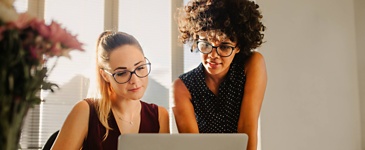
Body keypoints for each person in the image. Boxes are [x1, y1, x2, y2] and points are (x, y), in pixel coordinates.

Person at [172, 0, 267, 150]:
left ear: (239, 47)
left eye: (224, 47)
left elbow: (247, 128)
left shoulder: (251, 65)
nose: (213, 55)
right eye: (206, 44)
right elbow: (193, 147)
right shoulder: (182, 87)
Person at [52, 31, 170, 150]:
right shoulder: (85, 111)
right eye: (122, 73)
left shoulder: (159, 116)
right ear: (105, 75)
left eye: (140, 68)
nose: (135, 80)